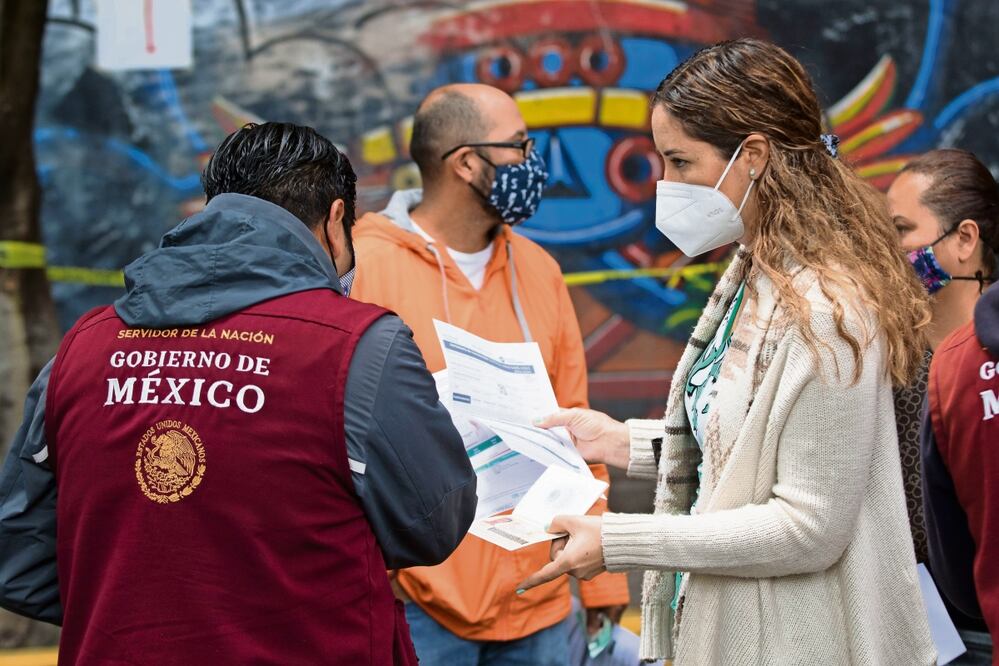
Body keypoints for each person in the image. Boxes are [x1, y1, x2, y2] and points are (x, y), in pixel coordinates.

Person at [518, 39, 936, 664]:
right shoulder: (758, 272)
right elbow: (742, 450)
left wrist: (620, 539)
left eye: (681, 162)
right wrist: (619, 443)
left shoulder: (828, 309)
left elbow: (808, 529)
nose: (667, 185)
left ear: (755, 156)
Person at [0, 122, 477, 664]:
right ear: (337, 219)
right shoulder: (359, 347)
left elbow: (18, 553)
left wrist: (147, 605)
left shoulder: (82, 347)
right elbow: (435, 524)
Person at [350, 83, 629, 664]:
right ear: (467, 163)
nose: (534, 160)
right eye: (519, 146)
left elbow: (579, 430)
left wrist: (602, 581)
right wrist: (389, 572)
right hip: (418, 604)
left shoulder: (539, 269)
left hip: (541, 599)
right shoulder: (363, 268)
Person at [887, 149, 998, 662]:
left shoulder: (979, 361)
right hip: (909, 628)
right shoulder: (879, 359)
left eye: (903, 230)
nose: (890, 251)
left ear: (965, 239)